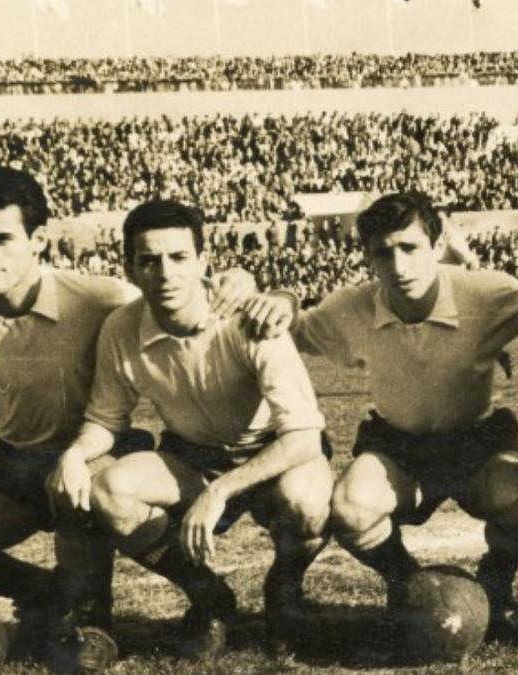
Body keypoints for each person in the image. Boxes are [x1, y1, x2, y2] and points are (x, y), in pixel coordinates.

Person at [0, 168, 258, 671]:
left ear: (38, 239)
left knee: (80, 490)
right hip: (19, 463)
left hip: (101, 451)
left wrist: (256, 287)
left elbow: (185, 296)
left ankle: (93, 618)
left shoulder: (99, 297)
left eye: (1, 238)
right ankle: (49, 593)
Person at [243, 192, 518, 639]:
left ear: (437, 244)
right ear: (368, 257)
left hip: (475, 441)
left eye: (410, 248)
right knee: (349, 507)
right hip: (398, 445)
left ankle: (497, 578)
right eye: (383, 253)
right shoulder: (352, 307)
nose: (399, 266)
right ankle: (407, 581)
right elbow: (297, 328)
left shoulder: (483, 293)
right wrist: (284, 297)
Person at [61, 199, 333, 662]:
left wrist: (220, 492)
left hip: (272, 451)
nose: (165, 273)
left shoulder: (251, 318)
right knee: (109, 490)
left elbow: (304, 436)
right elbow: (107, 420)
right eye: (149, 260)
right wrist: (73, 454)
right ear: (130, 268)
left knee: (307, 505)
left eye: (178, 258)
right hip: (194, 455)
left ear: (204, 262)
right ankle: (210, 598)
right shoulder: (121, 329)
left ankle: (284, 590)